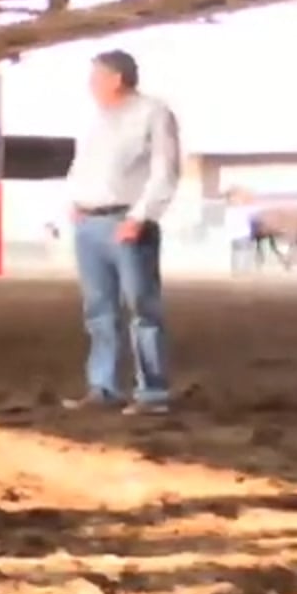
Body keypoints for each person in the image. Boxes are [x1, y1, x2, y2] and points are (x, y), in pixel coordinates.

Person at [60, 49, 181, 416]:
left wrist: (142, 215)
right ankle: (104, 387)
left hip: (126, 222)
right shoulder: (97, 120)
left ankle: (153, 393)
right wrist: (75, 201)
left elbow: (165, 169)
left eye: (96, 77)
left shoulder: (153, 113)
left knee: (142, 309)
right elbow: (83, 165)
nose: (91, 85)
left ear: (117, 78)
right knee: (99, 311)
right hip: (90, 223)